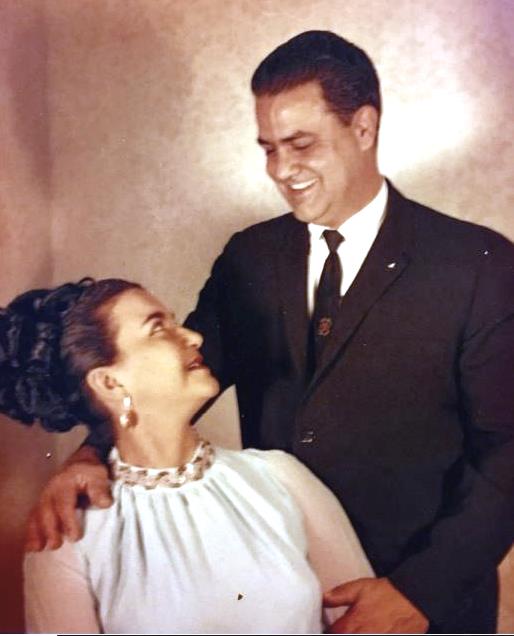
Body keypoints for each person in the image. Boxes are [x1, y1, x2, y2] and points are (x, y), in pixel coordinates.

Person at [25, 31, 514, 633]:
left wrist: (419, 591)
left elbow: (507, 451)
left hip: (425, 601)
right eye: (268, 148)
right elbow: (170, 375)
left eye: (301, 145)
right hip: (281, 590)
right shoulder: (249, 258)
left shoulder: (477, 264)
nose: (282, 171)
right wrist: (87, 455)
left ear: (364, 128)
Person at [1, 278, 373, 633]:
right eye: (158, 328)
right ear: (110, 383)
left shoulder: (282, 478)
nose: (194, 337)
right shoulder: (66, 533)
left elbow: (370, 622)